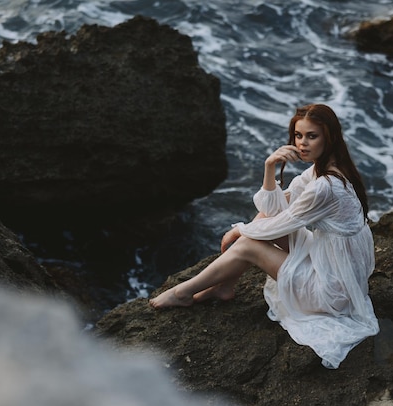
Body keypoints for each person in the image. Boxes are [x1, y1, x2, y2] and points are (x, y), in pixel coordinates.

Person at [149, 104, 379, 369]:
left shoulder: (325, 187)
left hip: (331, 293)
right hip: (331, 266)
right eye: (298, 135)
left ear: (330, 137)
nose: (302, 144)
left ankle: (183, 292)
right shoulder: (321, 171)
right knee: (257, 225)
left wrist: (238, 229)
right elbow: (272, 210)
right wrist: (270, 166)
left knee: (247, 244)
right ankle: (224, 286)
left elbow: (279, 224)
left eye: (311, 136)